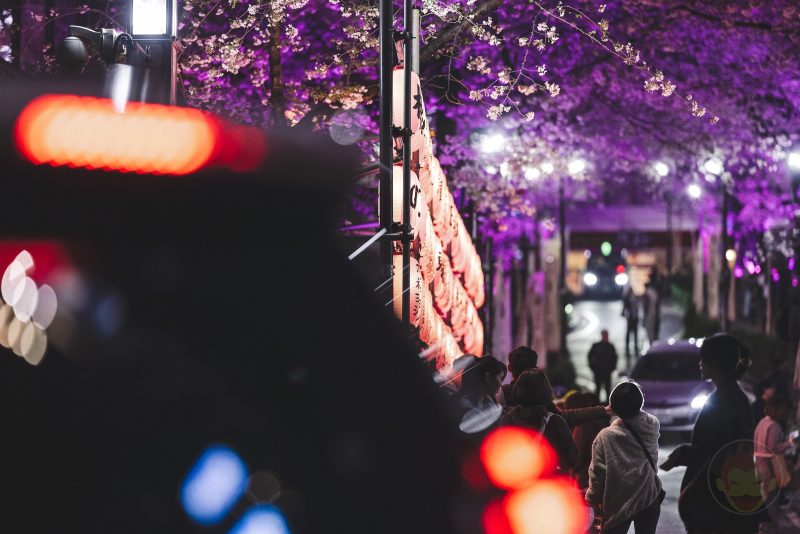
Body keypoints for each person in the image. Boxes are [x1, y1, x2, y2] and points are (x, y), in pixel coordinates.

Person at [660, 333, 757, 534]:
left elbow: (716, 450)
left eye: (703, 359)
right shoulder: (735, 397)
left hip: (715, 500)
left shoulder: (723, 401)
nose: (700, 364)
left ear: (715, 362)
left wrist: (684, 454)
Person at [586, 381, 662, 534]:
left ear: (613, 407)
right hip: (648, 496)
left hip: (618, 502)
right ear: (641, 402)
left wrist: (592, 499)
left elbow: (597, 473)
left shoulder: (605, 436)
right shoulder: (652, 424)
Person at [502, 368, 578, 472]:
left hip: (515, 483)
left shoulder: (507, 420)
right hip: (546, 485)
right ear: (545, 391)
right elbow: (572, 459)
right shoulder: (554, 422)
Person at [754, 397, 794, 533]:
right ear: (775, 409)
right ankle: (769, 529)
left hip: (758, 465)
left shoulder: (762, 423)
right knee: (771, 501)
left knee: (763, 500)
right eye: (783, 410)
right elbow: (773, 448)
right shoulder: (774, 425)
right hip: (768, 467)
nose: (785, 413)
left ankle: (763, 527)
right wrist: (790, 443)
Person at [566, 392, 609, 490]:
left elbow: (576, 461)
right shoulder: (606, 425)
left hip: (585, 483)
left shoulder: (582, 427)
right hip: (603, 484)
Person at [456, 355, 507, 434]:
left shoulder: (487, 403)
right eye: (500, 378)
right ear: (488, 377)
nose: (501, 385)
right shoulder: (466, 410)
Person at [588, 330, 618, 402]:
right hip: (598, 371)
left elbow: (615, 358)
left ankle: (608, 403)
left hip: (607, 371)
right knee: (597, 388)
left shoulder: (610, 346)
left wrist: (612, 367)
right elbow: (589, 356)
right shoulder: (596, 346)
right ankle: (596, 403)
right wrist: (592, 367)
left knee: (608, 389)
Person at [622, 286, 640, 365]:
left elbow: (637, 308)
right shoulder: (627, 300)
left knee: (635, 334)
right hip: (630, 319)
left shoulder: (635, 299)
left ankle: (635, 347)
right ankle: (627, 348)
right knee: (629, 334)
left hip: (634, 318)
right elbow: (624, 309)